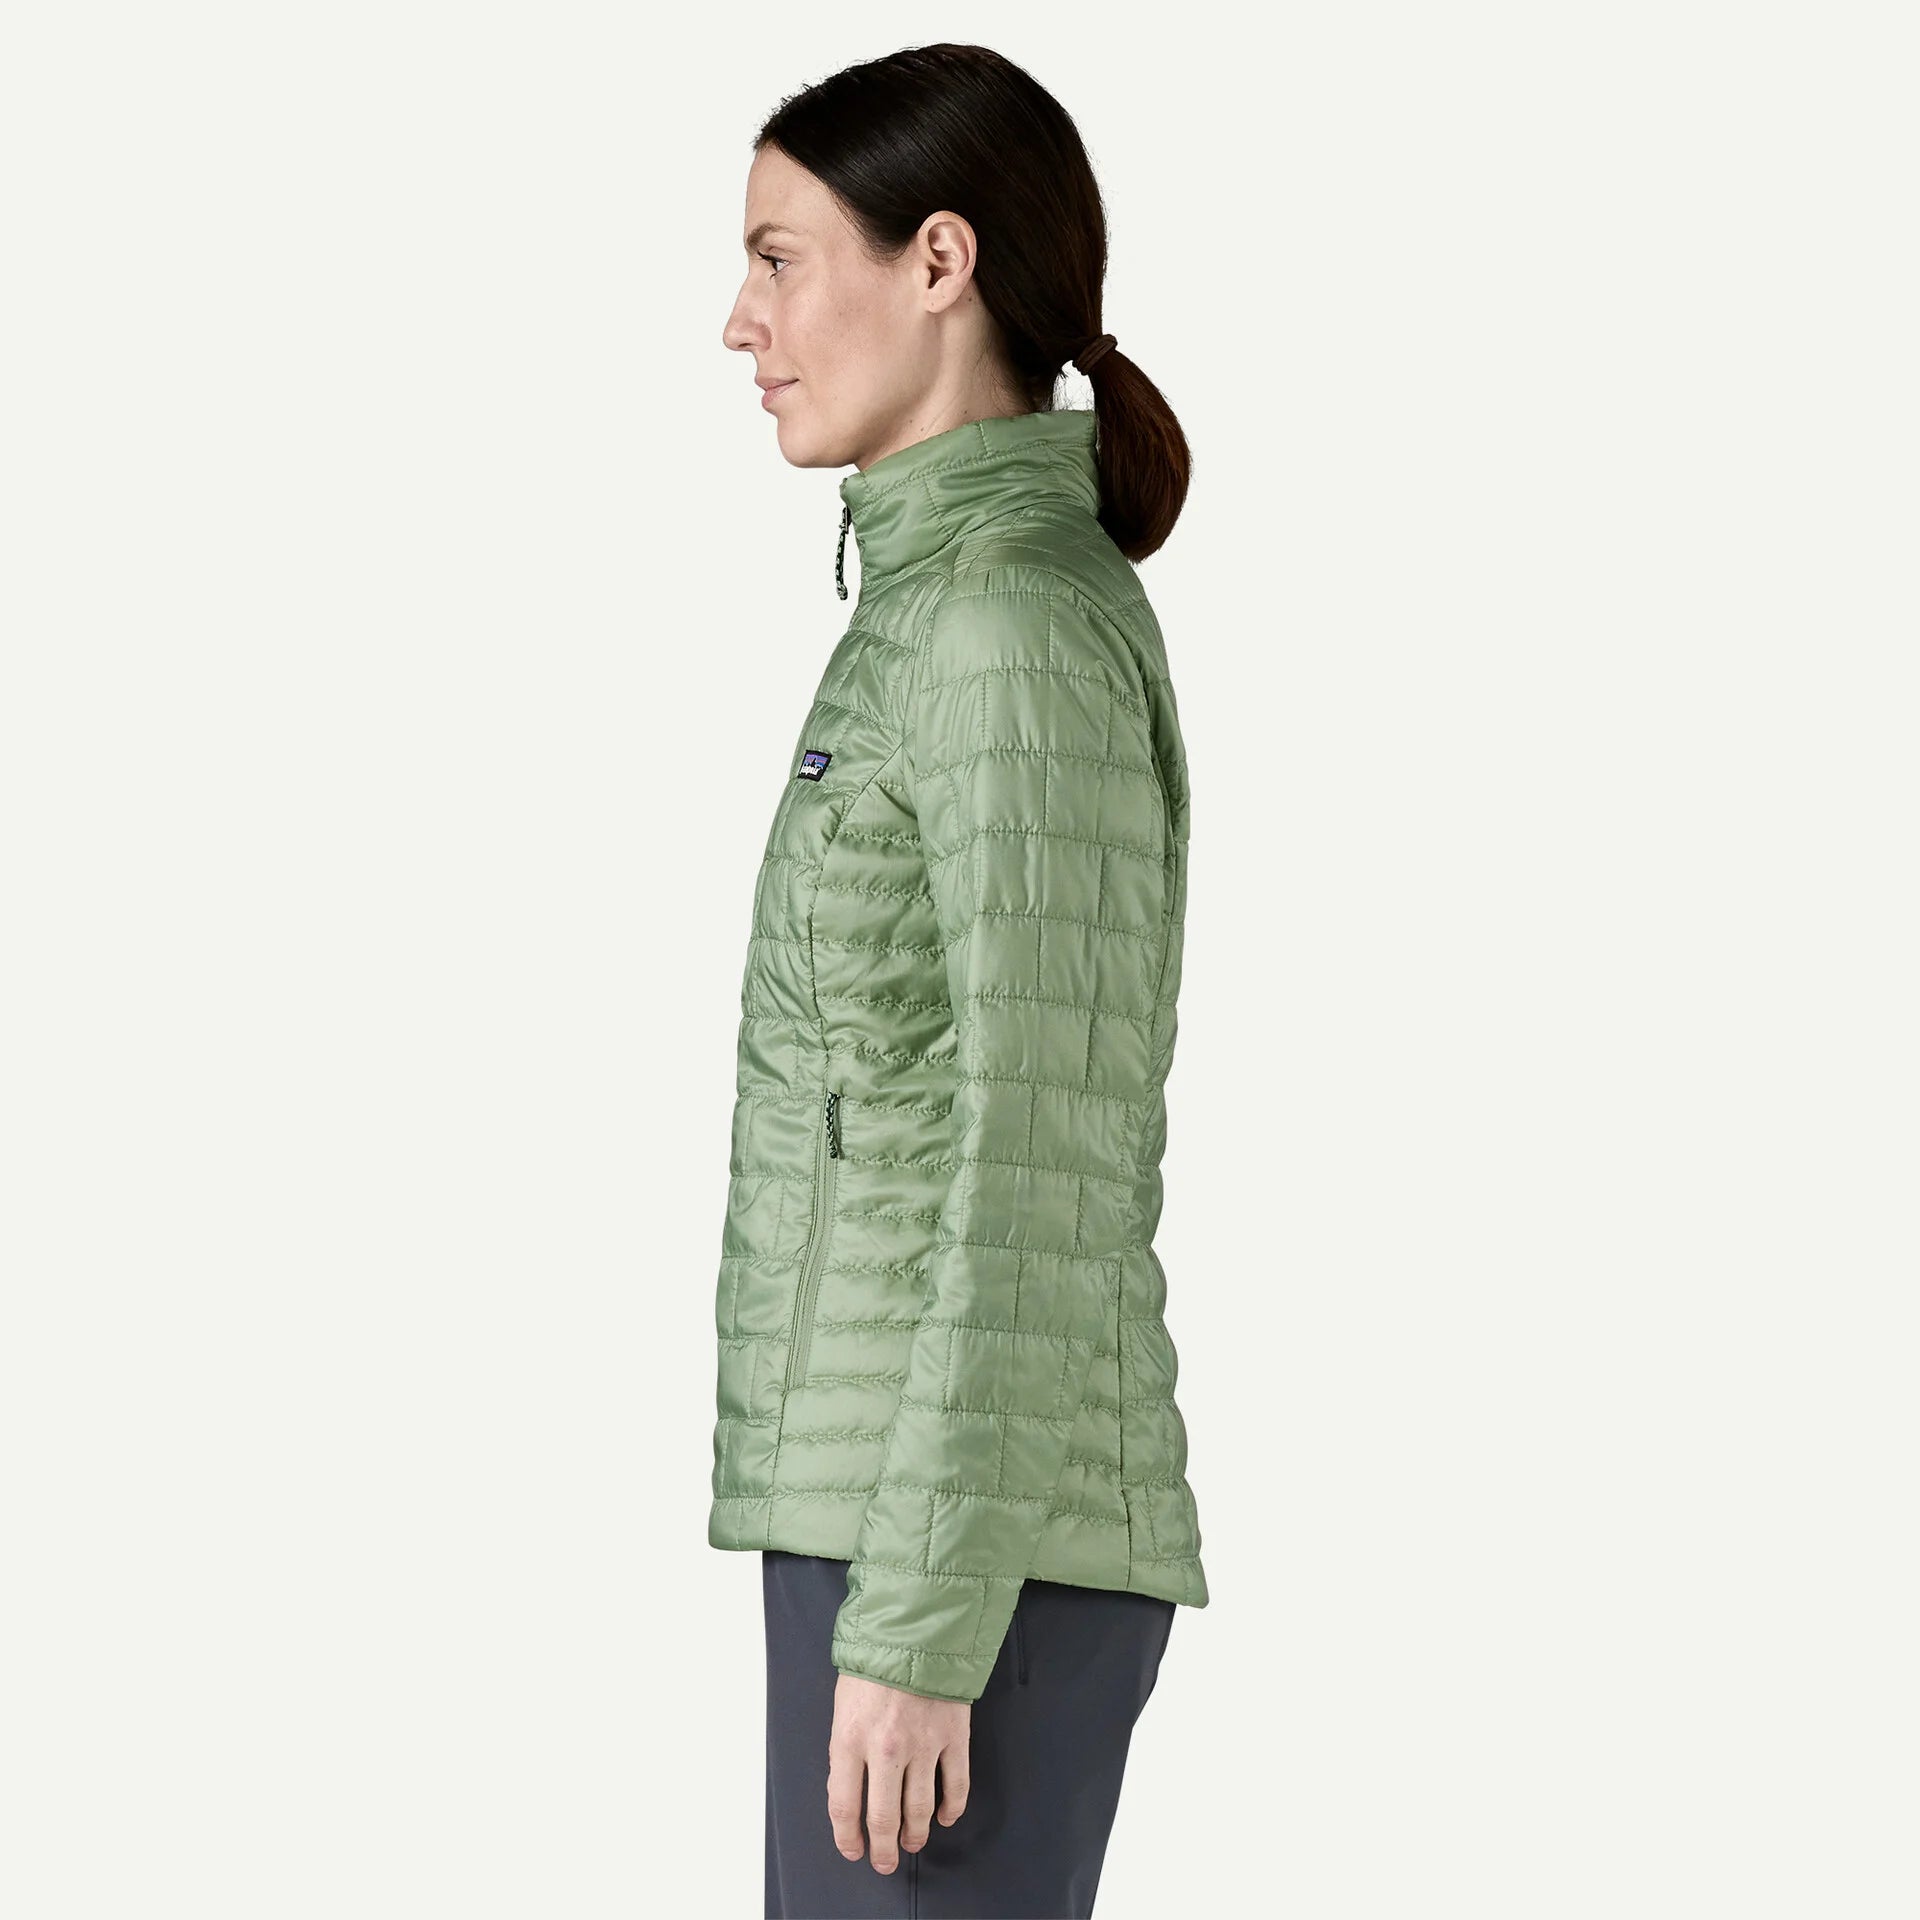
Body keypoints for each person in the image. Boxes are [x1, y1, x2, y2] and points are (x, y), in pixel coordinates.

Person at [712, 43, 1209, 1919]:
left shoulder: (1003, 628)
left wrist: (922, 1616)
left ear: (939, 260)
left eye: (779, 258)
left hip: (955, 1565)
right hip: (899, 1524)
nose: (742, 322)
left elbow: (1039, 1155)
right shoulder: (936, 609)